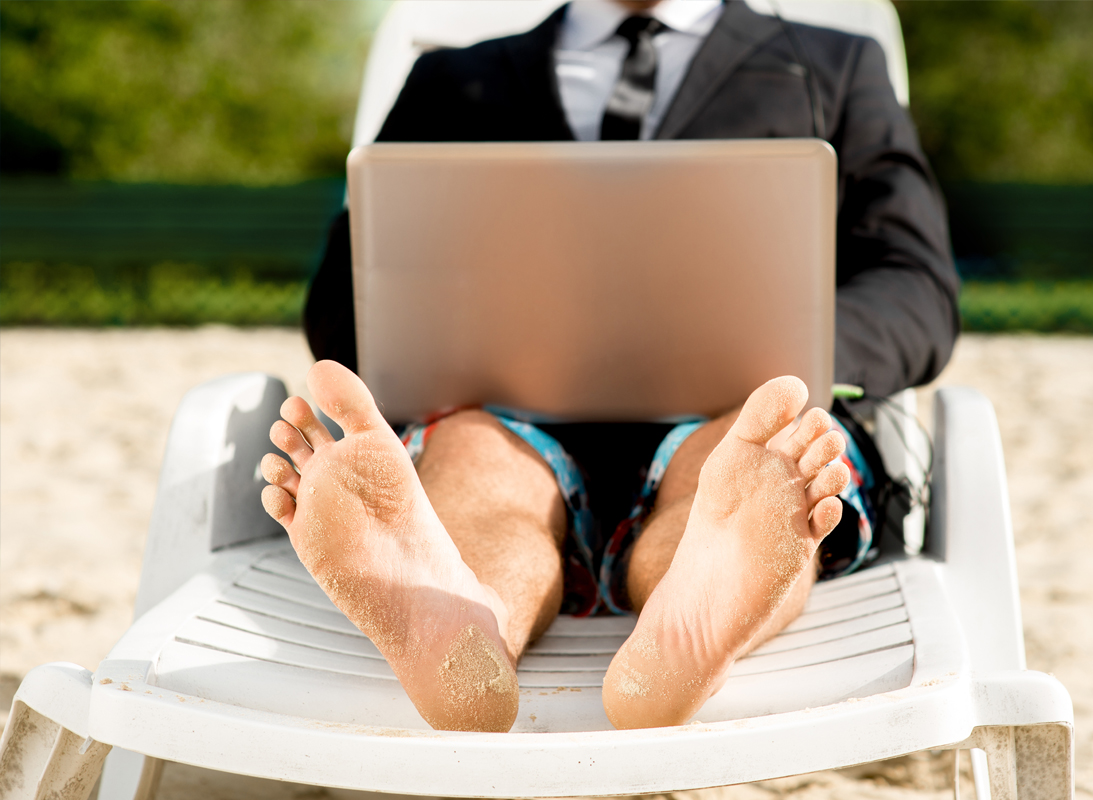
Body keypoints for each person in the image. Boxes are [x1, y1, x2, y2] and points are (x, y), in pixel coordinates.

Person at [262, 0, 958, 733]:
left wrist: (797, 355)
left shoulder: (833, 69)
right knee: (477, 470)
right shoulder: (452, 80)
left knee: (749, 471)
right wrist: (427, 323)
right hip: (504, 411)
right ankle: (465, 625)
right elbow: (342, 300)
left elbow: (915, 281)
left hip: (736, 411)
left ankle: (693, 610)